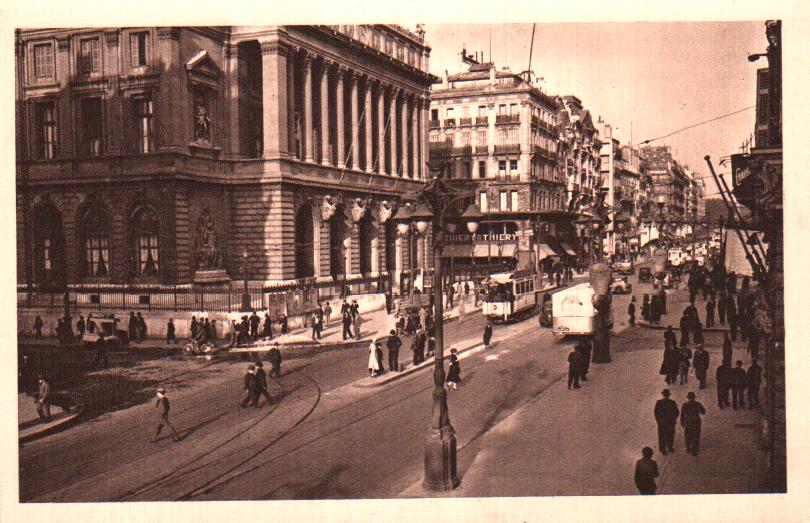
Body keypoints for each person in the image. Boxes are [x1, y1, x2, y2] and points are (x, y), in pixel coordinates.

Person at [680, 391, 706, 456]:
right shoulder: (697, 404)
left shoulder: (684, 405)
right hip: (696, 422)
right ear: (694, 398)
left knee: (688, 435)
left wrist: (682, 423)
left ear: (688, 398)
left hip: (688, 422)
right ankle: (694, 450)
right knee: (696, 435)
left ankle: (688, 447)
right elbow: (703, 412)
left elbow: (682, 415)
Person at [654, 389, 679, 455]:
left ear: (663, 395)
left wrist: (658, 420)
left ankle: (663, 449)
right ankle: (670, 447)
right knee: (670, 435)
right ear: (668, 395)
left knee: (661, 435)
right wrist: (673, 419)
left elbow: (656, 412)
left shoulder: (659, 402)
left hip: (661, 423)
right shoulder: (672, 402)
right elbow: (677, 412)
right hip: (670, 422)